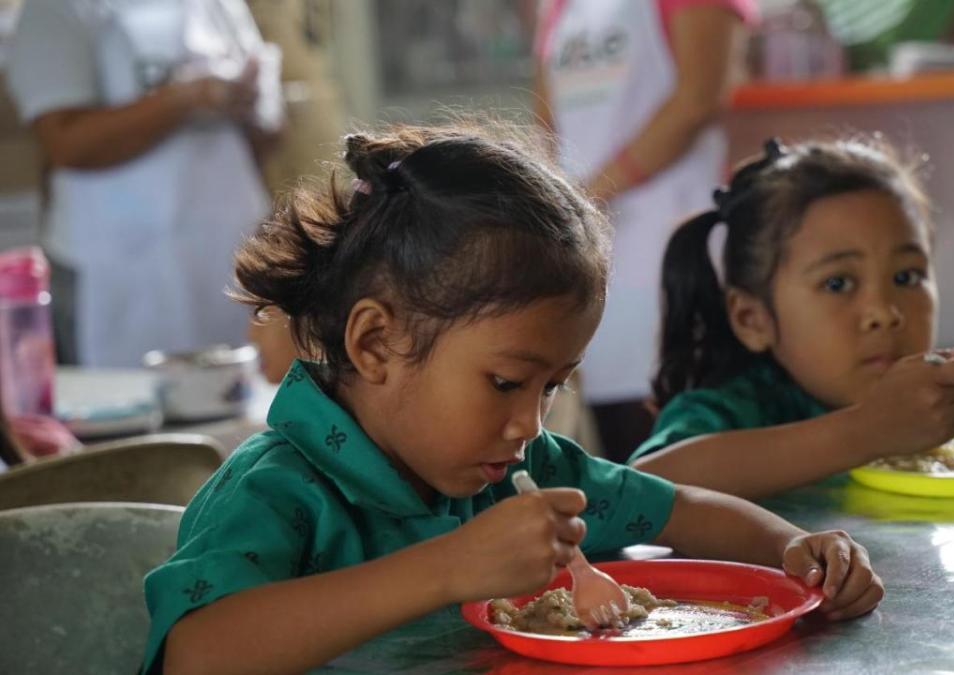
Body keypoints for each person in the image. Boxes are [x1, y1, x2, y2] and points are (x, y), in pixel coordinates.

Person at [140, 125, 884, 674]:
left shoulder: (522, 475)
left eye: (553, 385)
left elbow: (680, 509)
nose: (530, 423)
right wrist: (449, 567)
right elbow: (198, 650)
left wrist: (792, 547)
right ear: (374, 344)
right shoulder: (274, 489)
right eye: (505, 382)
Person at [628, 138, 954, 499]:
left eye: (908, 276)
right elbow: (646, 482)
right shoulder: (734, 409)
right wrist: (866, 432)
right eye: (838, 284)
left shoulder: (940, 389)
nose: (884, 313)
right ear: (752, 318)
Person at [532, 0, 757, 461]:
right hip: (586, 246)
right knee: (615, 440)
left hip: (670, 238)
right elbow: (546, 121)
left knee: (683, 428)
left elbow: (698, 99)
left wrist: (588, 195)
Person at [5, 0, 280, 366]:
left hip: (228, 253)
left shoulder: (220, 5)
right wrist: (184, 98)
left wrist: (252, 104)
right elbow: (65, 143)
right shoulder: (57, 9)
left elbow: (268, 134)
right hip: (116, 265)